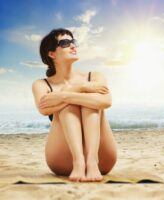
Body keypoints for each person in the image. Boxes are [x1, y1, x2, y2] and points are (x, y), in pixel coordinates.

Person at [31, 28, 117, 182]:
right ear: (51, 54)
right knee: (70, 103)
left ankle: (91, 160)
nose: (72, 46)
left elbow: (106, 101)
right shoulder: (41, 84)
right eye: (65, 43)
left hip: (102, 158)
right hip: (63, 159)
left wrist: (64, 95)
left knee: (77, 100)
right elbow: (44, 109)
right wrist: (80, 88)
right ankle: (78, 161)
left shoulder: (94, 76)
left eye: (73, 42)